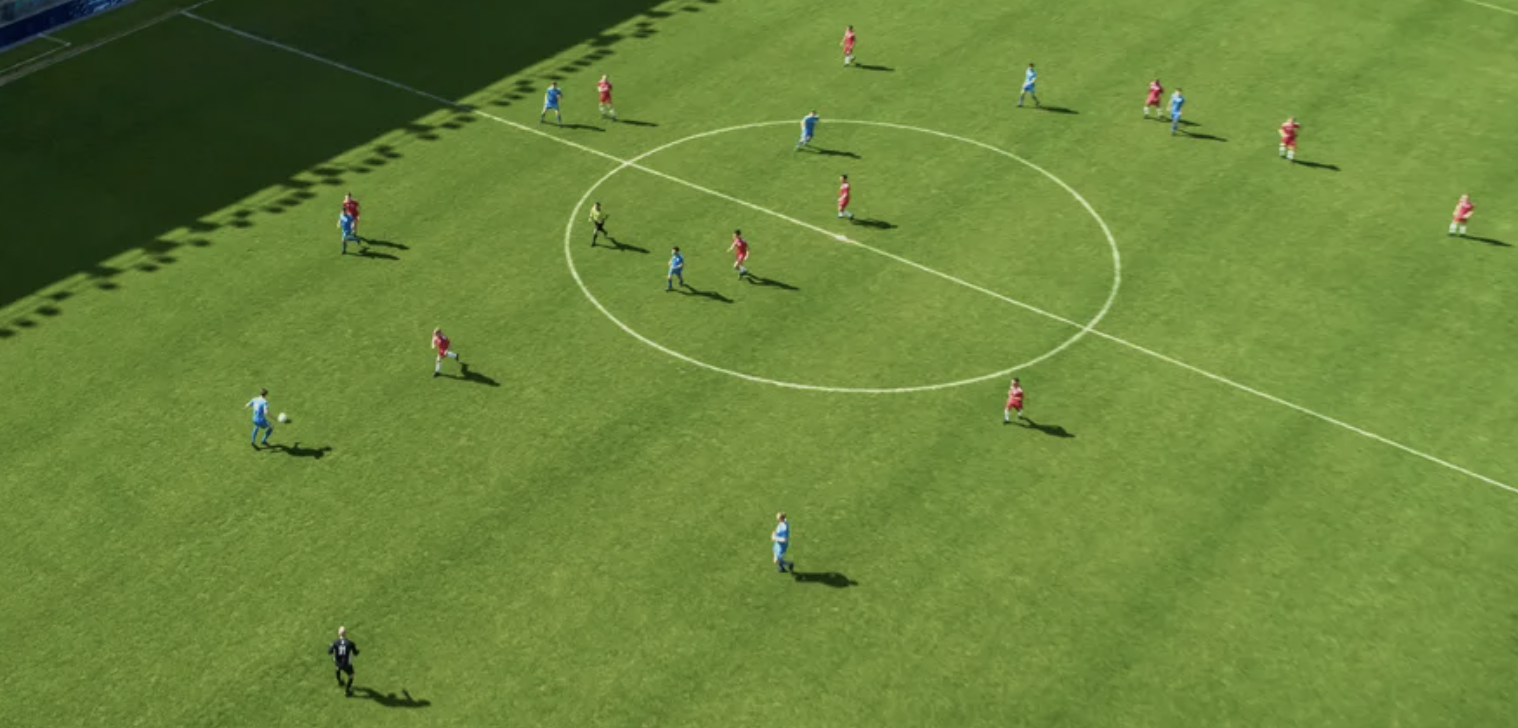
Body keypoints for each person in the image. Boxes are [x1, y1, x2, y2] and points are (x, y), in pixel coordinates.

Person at [328, 626, 359, 697]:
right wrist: (358, 651)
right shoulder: (350, 643)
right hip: (346, 664)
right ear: (345, 634)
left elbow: (329, 652)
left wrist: (332, 646)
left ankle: (339, 681)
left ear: (338, 633)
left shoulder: (335, 642)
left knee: (338, 668)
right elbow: (355, 653)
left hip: (337, 662)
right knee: (351, 675)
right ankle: (347, 691)